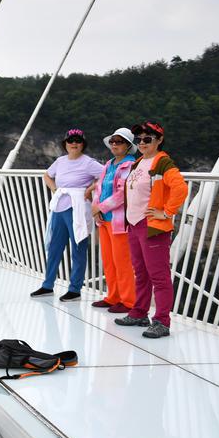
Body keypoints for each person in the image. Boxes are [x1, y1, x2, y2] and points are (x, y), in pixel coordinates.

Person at [115, 121, 188, 338]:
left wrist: (166, 212)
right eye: (139, 139)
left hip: (152, 227)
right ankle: (139, 312)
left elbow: (180, 188)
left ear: (159, 140)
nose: (142, 143)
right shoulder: (139, 162)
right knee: (141, 273)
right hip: (135, 225)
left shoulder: (162, 162)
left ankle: (162, 321)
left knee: (159, 276)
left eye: (148, 139)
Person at [30, 128, 104, 301]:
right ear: (65, 144)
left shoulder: (89, 162)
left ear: (83, 144)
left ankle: (75, 289)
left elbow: (107, 175)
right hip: (59, 207)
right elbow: (47, 175)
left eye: (78, 141)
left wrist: (91, 189)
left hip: (77, 207)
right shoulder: (60, 161)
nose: (74, 143)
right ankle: (47, 285)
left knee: (78, 248)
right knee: (54, 247)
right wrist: (55, 189)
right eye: (71, 141)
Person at [89, 127, 138, 313]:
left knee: (122, 261)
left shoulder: (130, 165)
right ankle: (113, 296)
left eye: (120, 141)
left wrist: (100, 207)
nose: (115, 144)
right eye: (113, 141)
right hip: (104, 219)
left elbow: (123, 194)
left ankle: (128, 301)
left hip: (119, 221)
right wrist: (95, 208)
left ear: (128, 146)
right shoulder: (109, 164)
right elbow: (99, 188)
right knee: (108, 260)